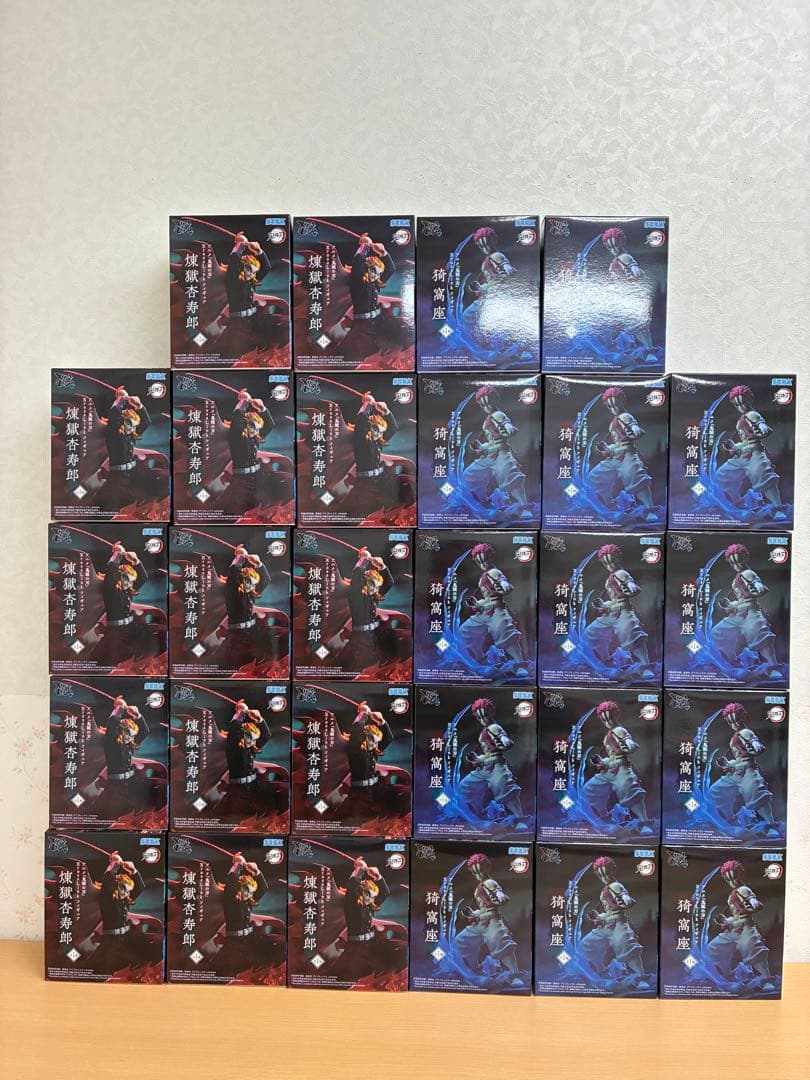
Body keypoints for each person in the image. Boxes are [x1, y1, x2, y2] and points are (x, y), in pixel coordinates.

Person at [708, 702, 779, 834]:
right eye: (731, 722)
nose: (734, 724)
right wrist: (728, 764)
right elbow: (739, 759)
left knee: (757, 794)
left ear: (743, 718)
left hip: (748, 772)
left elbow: (754, 742)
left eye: (737, 720)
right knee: (716, 791)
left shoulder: (745, 732)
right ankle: (730, 819)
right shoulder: (735, 736)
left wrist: (756, 745)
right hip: (736, 773)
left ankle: (771, 825)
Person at [711, 544, 781, 677]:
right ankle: (733, 660)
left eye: (739, 561)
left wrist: (758, 589)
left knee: (760, 637)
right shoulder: (737, 578)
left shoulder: (748, 573)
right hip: (738, 613)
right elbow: (741, 600)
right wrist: (730, 604)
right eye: (733, 563)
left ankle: (773, 667)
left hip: (751, 613)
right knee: (718, 632)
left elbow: (757, 584)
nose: (736, 565)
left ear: (745, 559)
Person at [582, 700, 652, 832]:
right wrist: (601, 761)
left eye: (610, 718)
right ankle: (605, 816)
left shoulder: (619, 730)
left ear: (616, 715)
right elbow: (612, 756)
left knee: (631, 792)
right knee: (590, 789)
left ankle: (645, 823)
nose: (608, 722)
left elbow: (628, 742)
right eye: (604, 720)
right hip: (610, 770)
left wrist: (629, 744)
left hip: (622, 770)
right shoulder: (609, 734)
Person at [454, 853, 524, 985]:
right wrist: (473, 913)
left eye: (481, 870)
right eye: (475, 873)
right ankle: (475, 970)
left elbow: (499, 893)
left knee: (502, 946)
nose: (479, 875)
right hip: (480, 922)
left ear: (487, 868)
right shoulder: (479, 887)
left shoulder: (489, 883)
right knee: (461, 941)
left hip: (492, 922)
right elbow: (483, 908)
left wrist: (499, 896)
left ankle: (515, 975)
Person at [583, 544, 653, 676]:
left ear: (618, 558)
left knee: (632, 636)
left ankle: (646, 667)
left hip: (624, 612)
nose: (609, 565)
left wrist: (631, 587)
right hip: (611, 613)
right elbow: (614, 600)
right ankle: (607, 660)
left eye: (612, 561)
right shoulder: (610, 577)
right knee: (592, 633)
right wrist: (603, 604)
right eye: (606, 563)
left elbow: (630, 583)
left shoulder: (621, 573)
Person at [458, 543, 528, 675]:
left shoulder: (494, 572)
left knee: (506, 634)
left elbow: (503, 582)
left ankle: (520, 665)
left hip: (496, 611)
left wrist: (504, 586)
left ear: (491, 558)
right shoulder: (484, 576)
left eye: (485, 560)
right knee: (466, 631)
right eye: (479, 562)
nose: (482, 564)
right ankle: (481, 661)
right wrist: (477, 604)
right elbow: (487, 597)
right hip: (484, 612)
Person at [715, 385, 785, 517]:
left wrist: (763, 428)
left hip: (755, 454)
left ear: (749, 400)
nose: (741, 407)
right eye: (737, 405)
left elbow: (762, 425)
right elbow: (745, 441)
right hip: (743, 455)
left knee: (764, 477)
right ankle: (738, 502)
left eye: (743, 403)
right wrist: (734, 446)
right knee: (723, 474)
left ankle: (778, 508)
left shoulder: (752, 414)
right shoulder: (742, 419)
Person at [461, 385, 530, 514]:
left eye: (489, 403)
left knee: (510, 478)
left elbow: (508, 426)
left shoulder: (498, 415)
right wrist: (481, 446)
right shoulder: (487, 419)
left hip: (501, 454)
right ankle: (484, 502)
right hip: (488, 455)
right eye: (483, 405)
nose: (487, 407)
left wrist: (509, 430)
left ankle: (524, 508)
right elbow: (492, 441)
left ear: (495, 400)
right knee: (470, 475)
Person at [579, 856, 648, 983]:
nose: (604, 878)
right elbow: (609, 912)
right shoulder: (605, 889)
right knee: (587, 945)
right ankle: (602, 973)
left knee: (628, 949)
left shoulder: (616, 886)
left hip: (618, 925)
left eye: (607, 874)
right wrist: (598, 916)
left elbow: (625, 897)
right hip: (606, 926)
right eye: (601, 876)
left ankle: (641, 978)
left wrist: (625, 901)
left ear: (612, 871)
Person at [588, 387, 655, 516]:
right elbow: (618, 443)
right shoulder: (615, 420)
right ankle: (609, 504)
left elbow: (634, 426)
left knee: (636, 480)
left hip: (627, 456)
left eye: (616, 404)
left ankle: (650, 509)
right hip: (615, 458)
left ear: (622, 402)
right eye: (610, 406)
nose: (614, 408)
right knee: (596, 476)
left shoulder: (625, 416)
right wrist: (607, 448)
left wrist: (635, 430)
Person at [707, 860, 774, 987]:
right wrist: (726, 920)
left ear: (740, 875)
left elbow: (751, 898)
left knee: (754, 951)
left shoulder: (743, 889)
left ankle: (767, 980)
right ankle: (727, 975)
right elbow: (736, 916)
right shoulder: (732, 894)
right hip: (733, 928)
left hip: (745, 928)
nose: (732, 882)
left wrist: (753, 902)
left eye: (734, 878)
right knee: (714, 948)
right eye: (728, 880)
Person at [458, 697, 525, 825]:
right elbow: (488, 753)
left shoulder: (494, 727)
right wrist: (478, 758)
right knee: (466, 787)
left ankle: (520, 819)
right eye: (480, 717)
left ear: (491, 713)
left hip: (497, 767)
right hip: (485, 768)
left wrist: (505, 741)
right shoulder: (484, 731)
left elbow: (502, 737)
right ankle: (480, 814)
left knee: (506, 791)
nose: (483, 720)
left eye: (485, 715)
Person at [346, 701, 393, 791]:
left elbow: (389, 738)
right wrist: (364, 713)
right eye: (372, 739)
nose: (375, 743)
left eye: (377, 741)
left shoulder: (373, 749)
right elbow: (356, 730)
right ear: (365, 738)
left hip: (374, 790)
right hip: (359, 793)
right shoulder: (356, 747)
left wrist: (381, 721)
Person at [342, 858, 390, 944]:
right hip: (355, 946)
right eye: (368, 894)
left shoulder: (370, 903)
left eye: (373, 895)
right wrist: (360, 868)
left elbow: (385, 893)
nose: (372, 898)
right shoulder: (352, 901)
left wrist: (377, 876)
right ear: (362, 892)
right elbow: (353, 885)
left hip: (371, 943)